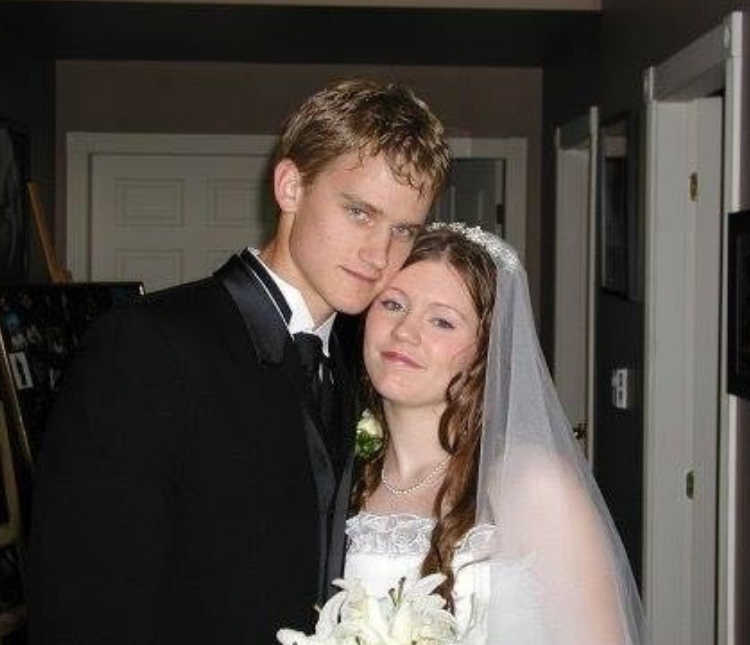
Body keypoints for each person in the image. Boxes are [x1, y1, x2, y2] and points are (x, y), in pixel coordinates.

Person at [27, 79, 450, 645]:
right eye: (358, 213)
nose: (380, 255)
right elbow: (82, 602)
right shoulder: (145, 345)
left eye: (403, 230)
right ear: (290, 185)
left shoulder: (366, 362)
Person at [342, 225, 645, 643]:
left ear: (485, 351)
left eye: (442, 321)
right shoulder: (341, 474)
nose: (405, 331)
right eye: (393, 304)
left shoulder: (533, 484)